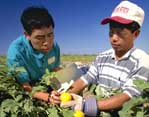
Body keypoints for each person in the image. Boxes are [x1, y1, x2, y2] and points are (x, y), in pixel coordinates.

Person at [59, 1, 149, 116]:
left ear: (136, 34)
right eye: (111, 33)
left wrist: (88, 105)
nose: (114, 38)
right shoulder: (102, 57)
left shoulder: (142, 61)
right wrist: (65, 95)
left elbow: (129, 96)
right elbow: (85, 79)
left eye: (121, 33)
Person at [7, 6, 62, 104]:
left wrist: (58, 90)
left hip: (44, 82)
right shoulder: (16, 52)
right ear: (27, 35)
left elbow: (54, 71)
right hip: (27, 86)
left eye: (50, 35)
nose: (47, 43)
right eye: (39, 38)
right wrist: (48, 98)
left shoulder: (54, 46)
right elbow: (25, 86)